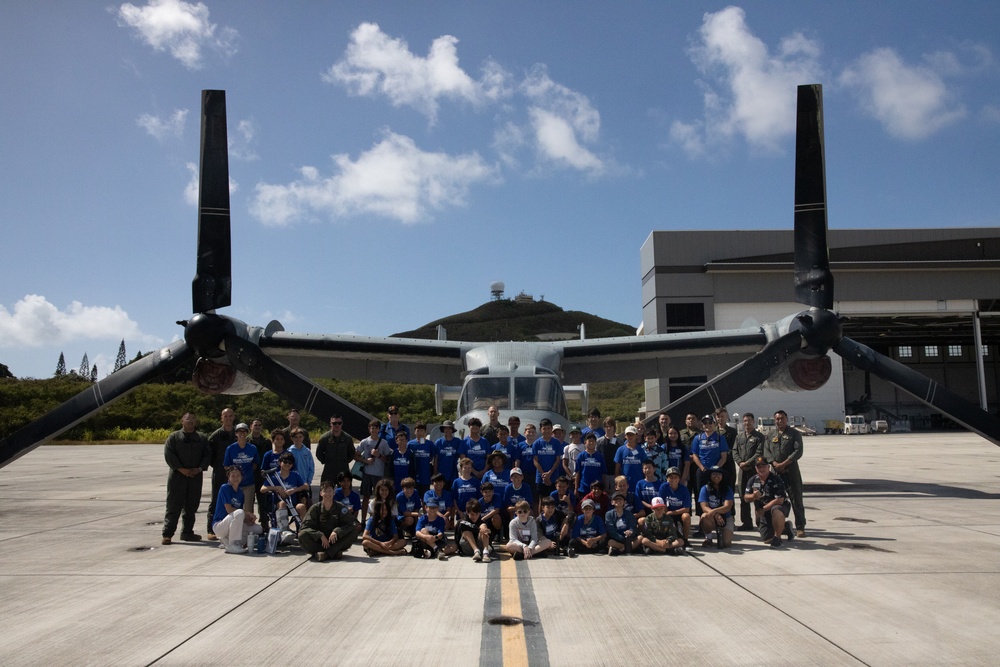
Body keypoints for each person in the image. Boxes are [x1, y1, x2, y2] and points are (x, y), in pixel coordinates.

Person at [161, 412, 210, 545]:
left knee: (191, 506)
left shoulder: (201, 438)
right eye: (187, 419)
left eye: (193, 419)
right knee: (173, 506)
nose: (190, 421)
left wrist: (199, 469)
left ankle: (187, 532)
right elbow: (169, 455)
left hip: (195, 477)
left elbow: (207, 455)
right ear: (182, 421)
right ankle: (167, 534)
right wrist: (182, 470)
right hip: (177, 476)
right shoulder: (174, 437)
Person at [766, 410, 806, 538]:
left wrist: (784, 464)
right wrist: (774, 463)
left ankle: (800, 527)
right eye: (777, 419)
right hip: (775, 472)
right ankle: (777, 525)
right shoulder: (771, 434)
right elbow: (766, 450)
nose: (779, 421)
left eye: (782, 418)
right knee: (774, 500)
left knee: (796, 499)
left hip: (791, 472)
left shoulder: (794, 434)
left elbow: (798, 451)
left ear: (786, 419)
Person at [299, 480, 359, 561]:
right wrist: (319, 534)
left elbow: (352, 524)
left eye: (330, 491)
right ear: (321, 493)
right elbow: (304, 527)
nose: (328, 494)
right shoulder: (315, 508)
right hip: (319, 542)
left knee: (354, 531)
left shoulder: (340, 507)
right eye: (325, 491)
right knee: (302, 535)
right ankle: (332, 552)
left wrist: (337, 531)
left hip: (336, 541)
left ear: (334, 493)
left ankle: (326, 554)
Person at [744, 456, 793, 548]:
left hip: (778, 506)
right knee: (766, 538)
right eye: (759, 467)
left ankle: (778, 538)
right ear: (756, 468)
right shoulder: (753, 480)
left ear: (768, 467)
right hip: (762, 511)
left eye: (764, 466)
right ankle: (785, 528)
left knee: (776, 511)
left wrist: (764, 509)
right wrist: (753, 496)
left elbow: (780, 499)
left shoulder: (776, 479)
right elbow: (746, 498)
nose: (761, 469)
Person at [211, 466, 262, 553]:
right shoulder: (225, 488)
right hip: (220, 525)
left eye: (238, 475)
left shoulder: (240, 493)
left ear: (242, 477)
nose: (235, 478)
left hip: (231, 523)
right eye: (233, 476)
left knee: (258, 529)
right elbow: (229, 510)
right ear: (228, 477)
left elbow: (238, 517)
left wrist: (248, 520)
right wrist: (247, 513)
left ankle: (227, 540)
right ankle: (233, 544)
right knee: (240, 512)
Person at [690, 415, 729, 518]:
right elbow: (695, 455)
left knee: (718, 493)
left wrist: (715, 470)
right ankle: (702, 520)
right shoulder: (697, 438)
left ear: (714, 424)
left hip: (716, 471)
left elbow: (724, 457)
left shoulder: (720, 438)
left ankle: (720, 517)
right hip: (702, 471)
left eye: (710, 422)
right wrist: (702, 468)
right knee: (700, 495)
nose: (707, 425)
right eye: (705, 423)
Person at [206, 407, 236, 538]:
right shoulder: (215, 436)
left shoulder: (238, 434)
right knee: (216, 499)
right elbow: (209, 456)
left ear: (233, 417)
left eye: (230, 416)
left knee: (235, 499)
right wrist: (221, 467)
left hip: (236, 474)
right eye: (225, 416)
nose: (228, 419)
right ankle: (211, 529)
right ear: (221, 418)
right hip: (220, 471)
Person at [732, 412, 766, 531]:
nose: (747, 423)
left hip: (754, 472)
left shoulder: (759, 437)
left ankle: (761, 522)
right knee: (743, 496)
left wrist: (748, 463)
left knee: (757, 495)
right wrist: (740, 462)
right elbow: (734, 450)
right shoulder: (739, 436)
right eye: (745, 421)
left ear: (754, 421)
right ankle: (746, 522)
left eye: (749, 421)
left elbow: (759, 453)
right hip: (742, 471)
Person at [260, 452, 309, 532]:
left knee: (301, 507)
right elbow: (262, 489)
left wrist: (294, 490)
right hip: (278, 504)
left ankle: (304, 531)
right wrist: (277, 488)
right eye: (285, 462)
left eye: (290, 463)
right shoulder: (274, 476)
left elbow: (306, 486)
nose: (287, 464)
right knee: (282, 503)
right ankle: (284, 530)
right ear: (280, 462)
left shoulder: (295, 475)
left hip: (292, 503)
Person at [356, 419, 393, 525]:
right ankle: (363, 520)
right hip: (367, 473)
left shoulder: (384, 443)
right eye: (372, 428)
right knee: (366, 497)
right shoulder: (364, 442)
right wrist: (365, 461)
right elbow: (356, 455)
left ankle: (379, 518)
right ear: (369, 429)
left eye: (376, 428)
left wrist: (379, 455)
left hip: (379, 474)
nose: (374, 430)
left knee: (380, 497)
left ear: (379, 429)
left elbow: (387, 459)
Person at [223, 422, 258, 512]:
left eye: (244, 431)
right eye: (239, 431)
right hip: (234, 484)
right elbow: (226, 466)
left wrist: (246, 473)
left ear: (247, 433)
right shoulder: (230, 449)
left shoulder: (253, 448)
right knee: (234, 510)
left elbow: (255, 464)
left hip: (248, 484)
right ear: (236, 433)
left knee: (247, 510)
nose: (242, 434)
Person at [698, 467, 734, 549]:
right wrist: (716, 514)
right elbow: (704, 507)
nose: (716, 476)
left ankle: (721, 533)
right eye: (714, 474)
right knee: (704, 516)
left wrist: (715, 512)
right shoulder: (705, 488)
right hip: (711, 516)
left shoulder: (728, 489)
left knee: (726, 543)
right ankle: (708, 538)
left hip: (726, 516)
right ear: (710, 476)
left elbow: (727, 507)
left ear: (722, 476)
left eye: (719, 474)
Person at [532, 419, 564, 504]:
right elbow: (535, 461)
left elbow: (558, 460)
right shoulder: (536, 443)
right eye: (544, 428)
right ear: (540, 430)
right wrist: (544, 475)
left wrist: (549, 473)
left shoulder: (556, 442)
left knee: (553, 500)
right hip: (541, 478)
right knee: (542, 501)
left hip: (554, 477)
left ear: (551, 429)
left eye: (549, 428)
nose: (546, 431)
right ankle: (541, 517)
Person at [316, 414, 355, 486]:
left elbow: (352, 453)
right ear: (330, 424)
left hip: (343, 468)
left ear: (342, 424)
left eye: (339, 423)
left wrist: (344, 461)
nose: (337, 425)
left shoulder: (348, 438)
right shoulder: (324, 438)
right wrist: (326, 461)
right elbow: (319, 453)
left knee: (345, 492)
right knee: (325, 491)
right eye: (334, 423)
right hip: (329, 469)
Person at [658, 467, 692, 546]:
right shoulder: (663, 487)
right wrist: (666, 512)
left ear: (679, 479)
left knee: (686, 516)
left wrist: (673, 512)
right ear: (667, 478)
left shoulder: (684, 489)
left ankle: (685, 539)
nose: (673, 479)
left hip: (679, 512)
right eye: (670, 477)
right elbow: (661, 503)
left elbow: (687, 508)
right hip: (667, 512)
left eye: (675, 477)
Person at [614, 425, 648, 492]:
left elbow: (644, 465)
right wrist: (618, 481)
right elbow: (617, 467)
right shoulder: (621, 450)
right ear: (625, 436)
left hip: (638, 481)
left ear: (636, 435)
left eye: (632, 434)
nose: (630, 437)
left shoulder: (641, 450)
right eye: (628, 435)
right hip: (624, 483)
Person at [287, 427, 315, 508]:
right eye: (296, 437)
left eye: (300, 437)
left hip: (305, 483)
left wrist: (308, 482)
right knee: (296, 506)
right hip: (294, 484)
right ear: (292, 438)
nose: (298, 439)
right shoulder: (289, 451)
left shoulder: (307, 451)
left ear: (303, 437)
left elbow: (311, 468)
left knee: (307, 505)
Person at [605, 491, 637, 556]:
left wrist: (630, 531)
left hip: (628, 538)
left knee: (640, 538)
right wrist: (622, 538)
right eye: (616, 499)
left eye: (620, 499)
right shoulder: (609, 514)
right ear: (612, 502)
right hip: (616, 538)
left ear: (624, 502)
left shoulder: (629, 514)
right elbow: (611, 530)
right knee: (610, 542)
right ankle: (624, 548)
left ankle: (619, 550)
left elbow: (632, 526)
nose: (618, 500)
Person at [408, 422, 436, 495]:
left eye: (422, 430)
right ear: (414, 432)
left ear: (425, 432)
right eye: (418, 430)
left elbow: (433, 457)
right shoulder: (410, 444)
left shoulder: (429, 444)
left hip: (425, 476)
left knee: (425, 496)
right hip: (414, 476)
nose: (419, 433)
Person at [575, 432, 606, 497]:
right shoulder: (581, 456)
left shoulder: (600, 456)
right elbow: (578, 473)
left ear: (595, 443)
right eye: (589, 441)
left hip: (597, 488)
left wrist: (604, 487)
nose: (591, 443)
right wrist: (576, 488)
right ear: (585, 442)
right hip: (584, 487)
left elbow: (603, 474)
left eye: (593, 441)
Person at [451, 457, 481, 522]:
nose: (467, 470)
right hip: (461, 513)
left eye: (469, 468)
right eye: (465, 468)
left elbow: (479, 498)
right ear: (461, 468)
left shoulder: (476, 481)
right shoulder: (456, 482)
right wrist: (458, 511)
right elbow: (454, 498)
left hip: (473, 514)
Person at [434, 420, 462, 486]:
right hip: (441, 474)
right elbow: (435, 459)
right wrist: (435, 473)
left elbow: (461, 458)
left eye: (449, 428)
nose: (448, 430)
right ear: (443, 430)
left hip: (453, 474)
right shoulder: (438, 442)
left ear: (452, 430)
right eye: (446, 428)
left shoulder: (458, 442)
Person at [596, 417, 620, 490]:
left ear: (614, 427)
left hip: (615, 473)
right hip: (603, 474)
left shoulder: (619, 441)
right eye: (606, 426)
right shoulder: (599, 441)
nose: (608, 428)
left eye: (610, 426)